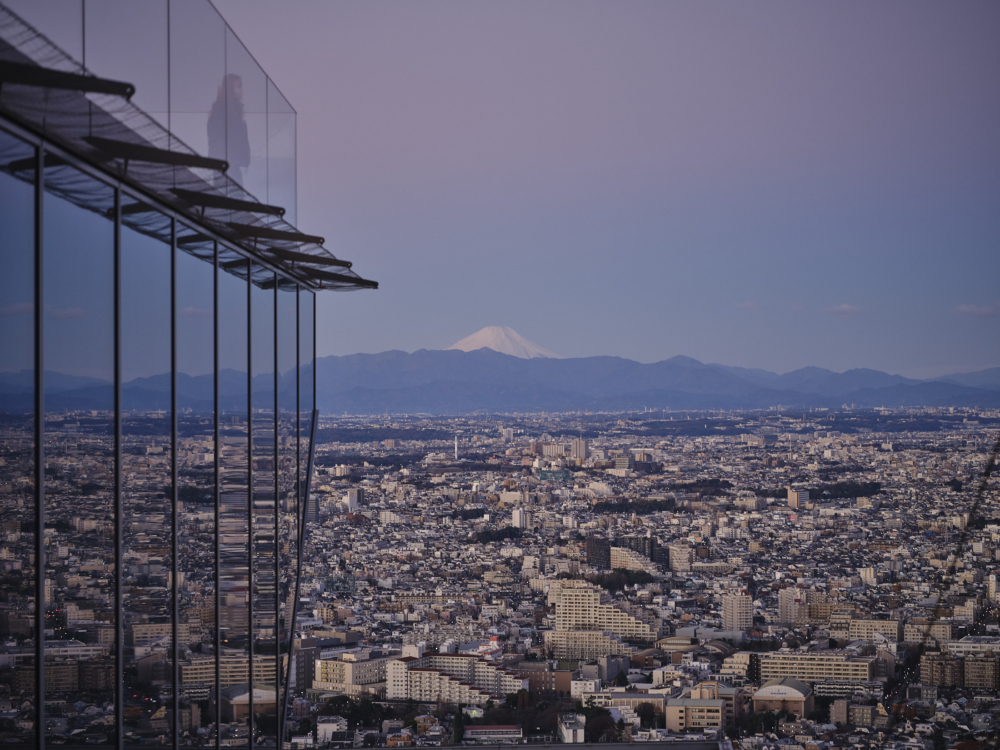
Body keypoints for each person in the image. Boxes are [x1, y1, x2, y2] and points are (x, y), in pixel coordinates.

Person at [207, 73, 250, 186]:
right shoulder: (220, 108)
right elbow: (217, 139)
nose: (241, 90)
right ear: (230, 88)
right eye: (238, 86)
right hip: (225, 167)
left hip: (231, 165)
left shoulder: (235, 110)